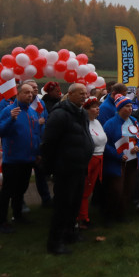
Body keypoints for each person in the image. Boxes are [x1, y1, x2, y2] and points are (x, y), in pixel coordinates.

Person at [40, 83, 94, 255]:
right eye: (80, 93)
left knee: (74, 204)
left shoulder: (82, 114)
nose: (84, 96)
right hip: (65, 168)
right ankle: (55, 242)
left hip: (80, 167)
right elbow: (49, 143)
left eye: (85, 93)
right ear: (69, 94)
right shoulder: (59, 114)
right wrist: (50, 168)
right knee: (62, 205)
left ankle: (71, 233)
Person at [0, 83, 43, 234]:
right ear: (18, 94)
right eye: (26, 92)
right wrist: (11, 119)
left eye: (31, 93)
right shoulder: (8, 111)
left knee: (21, 190)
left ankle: (17, 215)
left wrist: (37, 153)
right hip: (12, 159)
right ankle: (1, 222)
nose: (30, 95)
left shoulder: (33, 113)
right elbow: (1, 132)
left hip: (28, 159)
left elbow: (35, 135)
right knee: (7, 191)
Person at [102, 95, 139, 224]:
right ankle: (108, 216)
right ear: (120, 108)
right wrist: (118, 155)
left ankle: (122, 214)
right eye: (127, 106)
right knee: (116, 190)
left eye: (131, 106)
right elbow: (105, 144)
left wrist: (138, 146)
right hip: (117, 163)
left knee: (128, 189)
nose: (130, 108)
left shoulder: (134, 121)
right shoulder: (110, 124)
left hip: (132, 162)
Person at [78, 95, 107, 228]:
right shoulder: (83, 124)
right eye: (95, 107)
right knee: (84, 189)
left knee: (89, 189)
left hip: (99, 158)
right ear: (87, 109)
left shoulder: (97, 122)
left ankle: (84, 214)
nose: (98, 109)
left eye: (98, 107)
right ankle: (82, 218)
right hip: (89, 159)